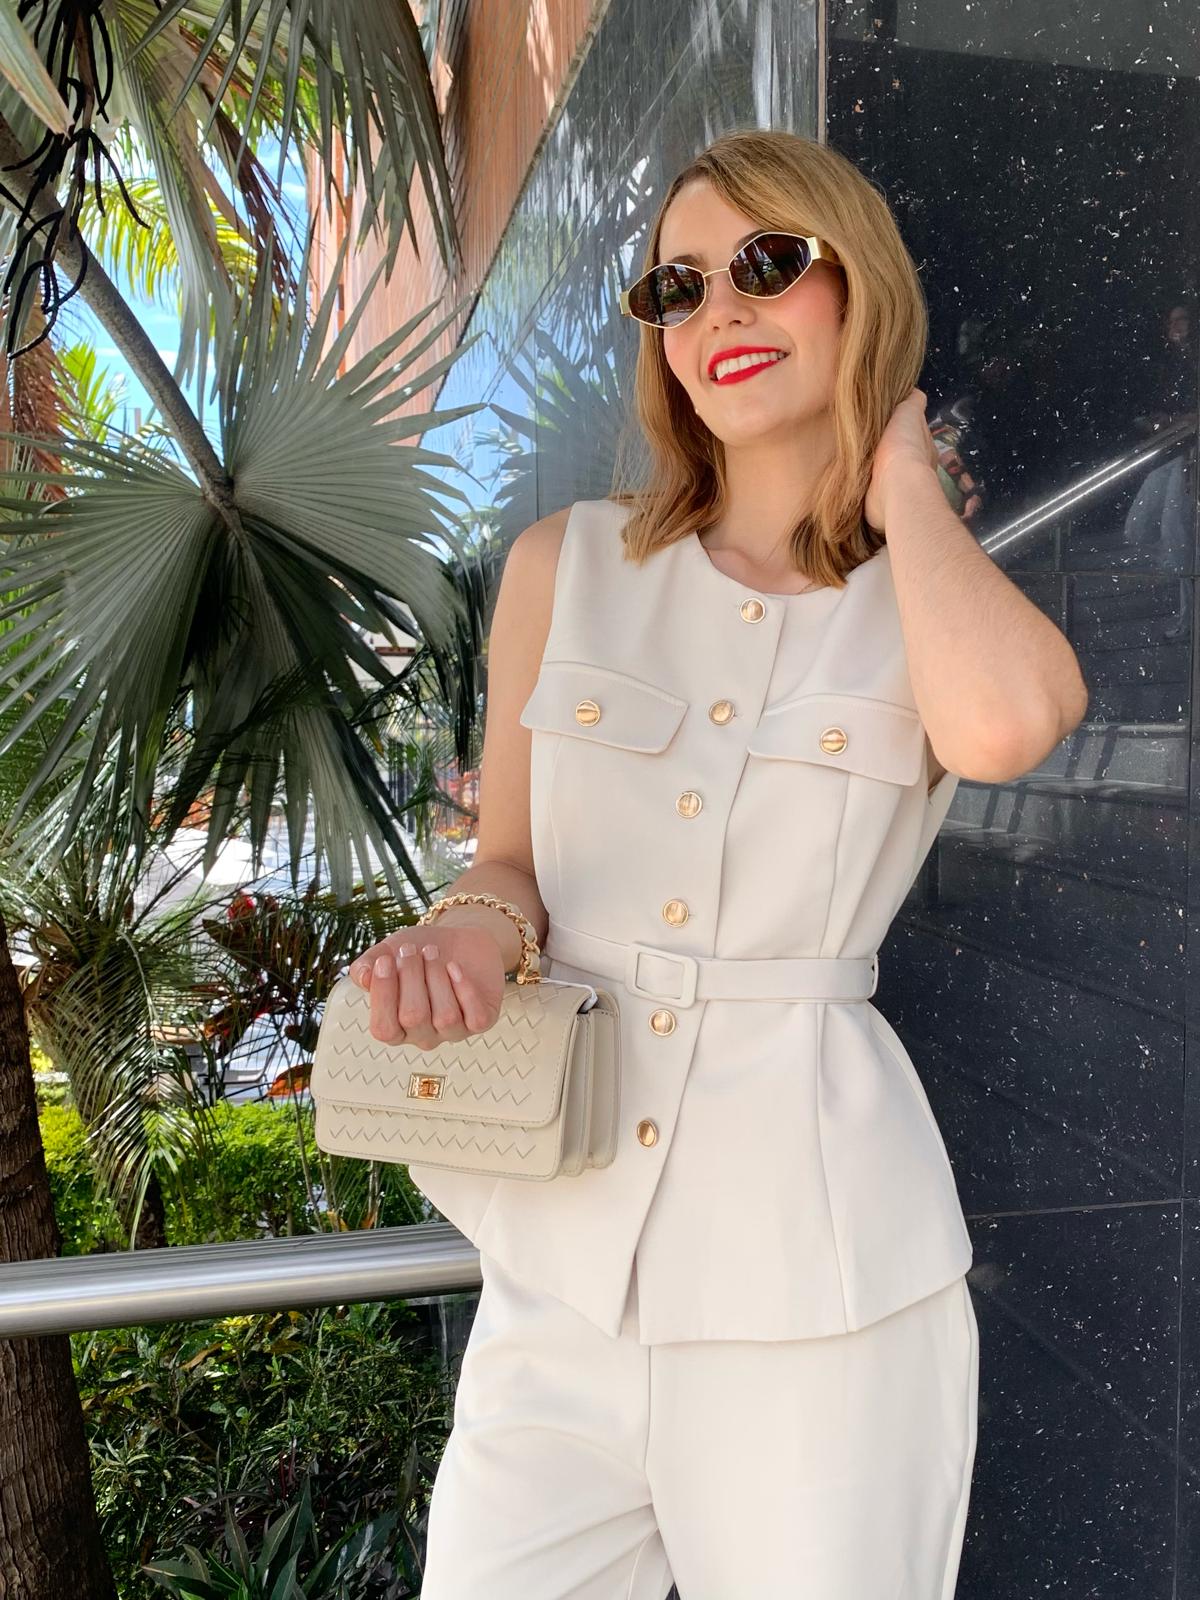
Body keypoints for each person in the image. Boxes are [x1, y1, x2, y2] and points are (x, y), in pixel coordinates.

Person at [347, 129, 1089, 1599]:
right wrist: (465, 935)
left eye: (766, 263)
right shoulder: (565, 565)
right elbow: (509, 862)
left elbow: (1010, 726)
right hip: (564, 1273)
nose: (718, 313)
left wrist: (903, 482)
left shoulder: (928, 602)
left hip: (822, 1286)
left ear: (856, 286)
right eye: (677, 287)